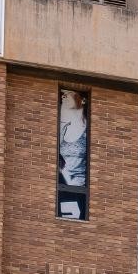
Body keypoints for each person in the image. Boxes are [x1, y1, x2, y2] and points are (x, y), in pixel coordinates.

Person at [57, 90, 88, 219]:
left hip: (82, 188)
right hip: (66, 186)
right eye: (63, 94)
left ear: (82, 100)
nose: (63, 96)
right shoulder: (63, 125)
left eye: (69, 93)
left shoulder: (89, 127)